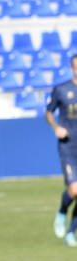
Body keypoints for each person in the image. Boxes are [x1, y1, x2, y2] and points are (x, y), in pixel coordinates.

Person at [45, 55, 77, 245]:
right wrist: (56, 127)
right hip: (69, 147)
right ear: (72, 68)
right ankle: (63, 209)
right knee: (74, 191)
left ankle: (71, 233)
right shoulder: (61, 90)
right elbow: (49, 112)